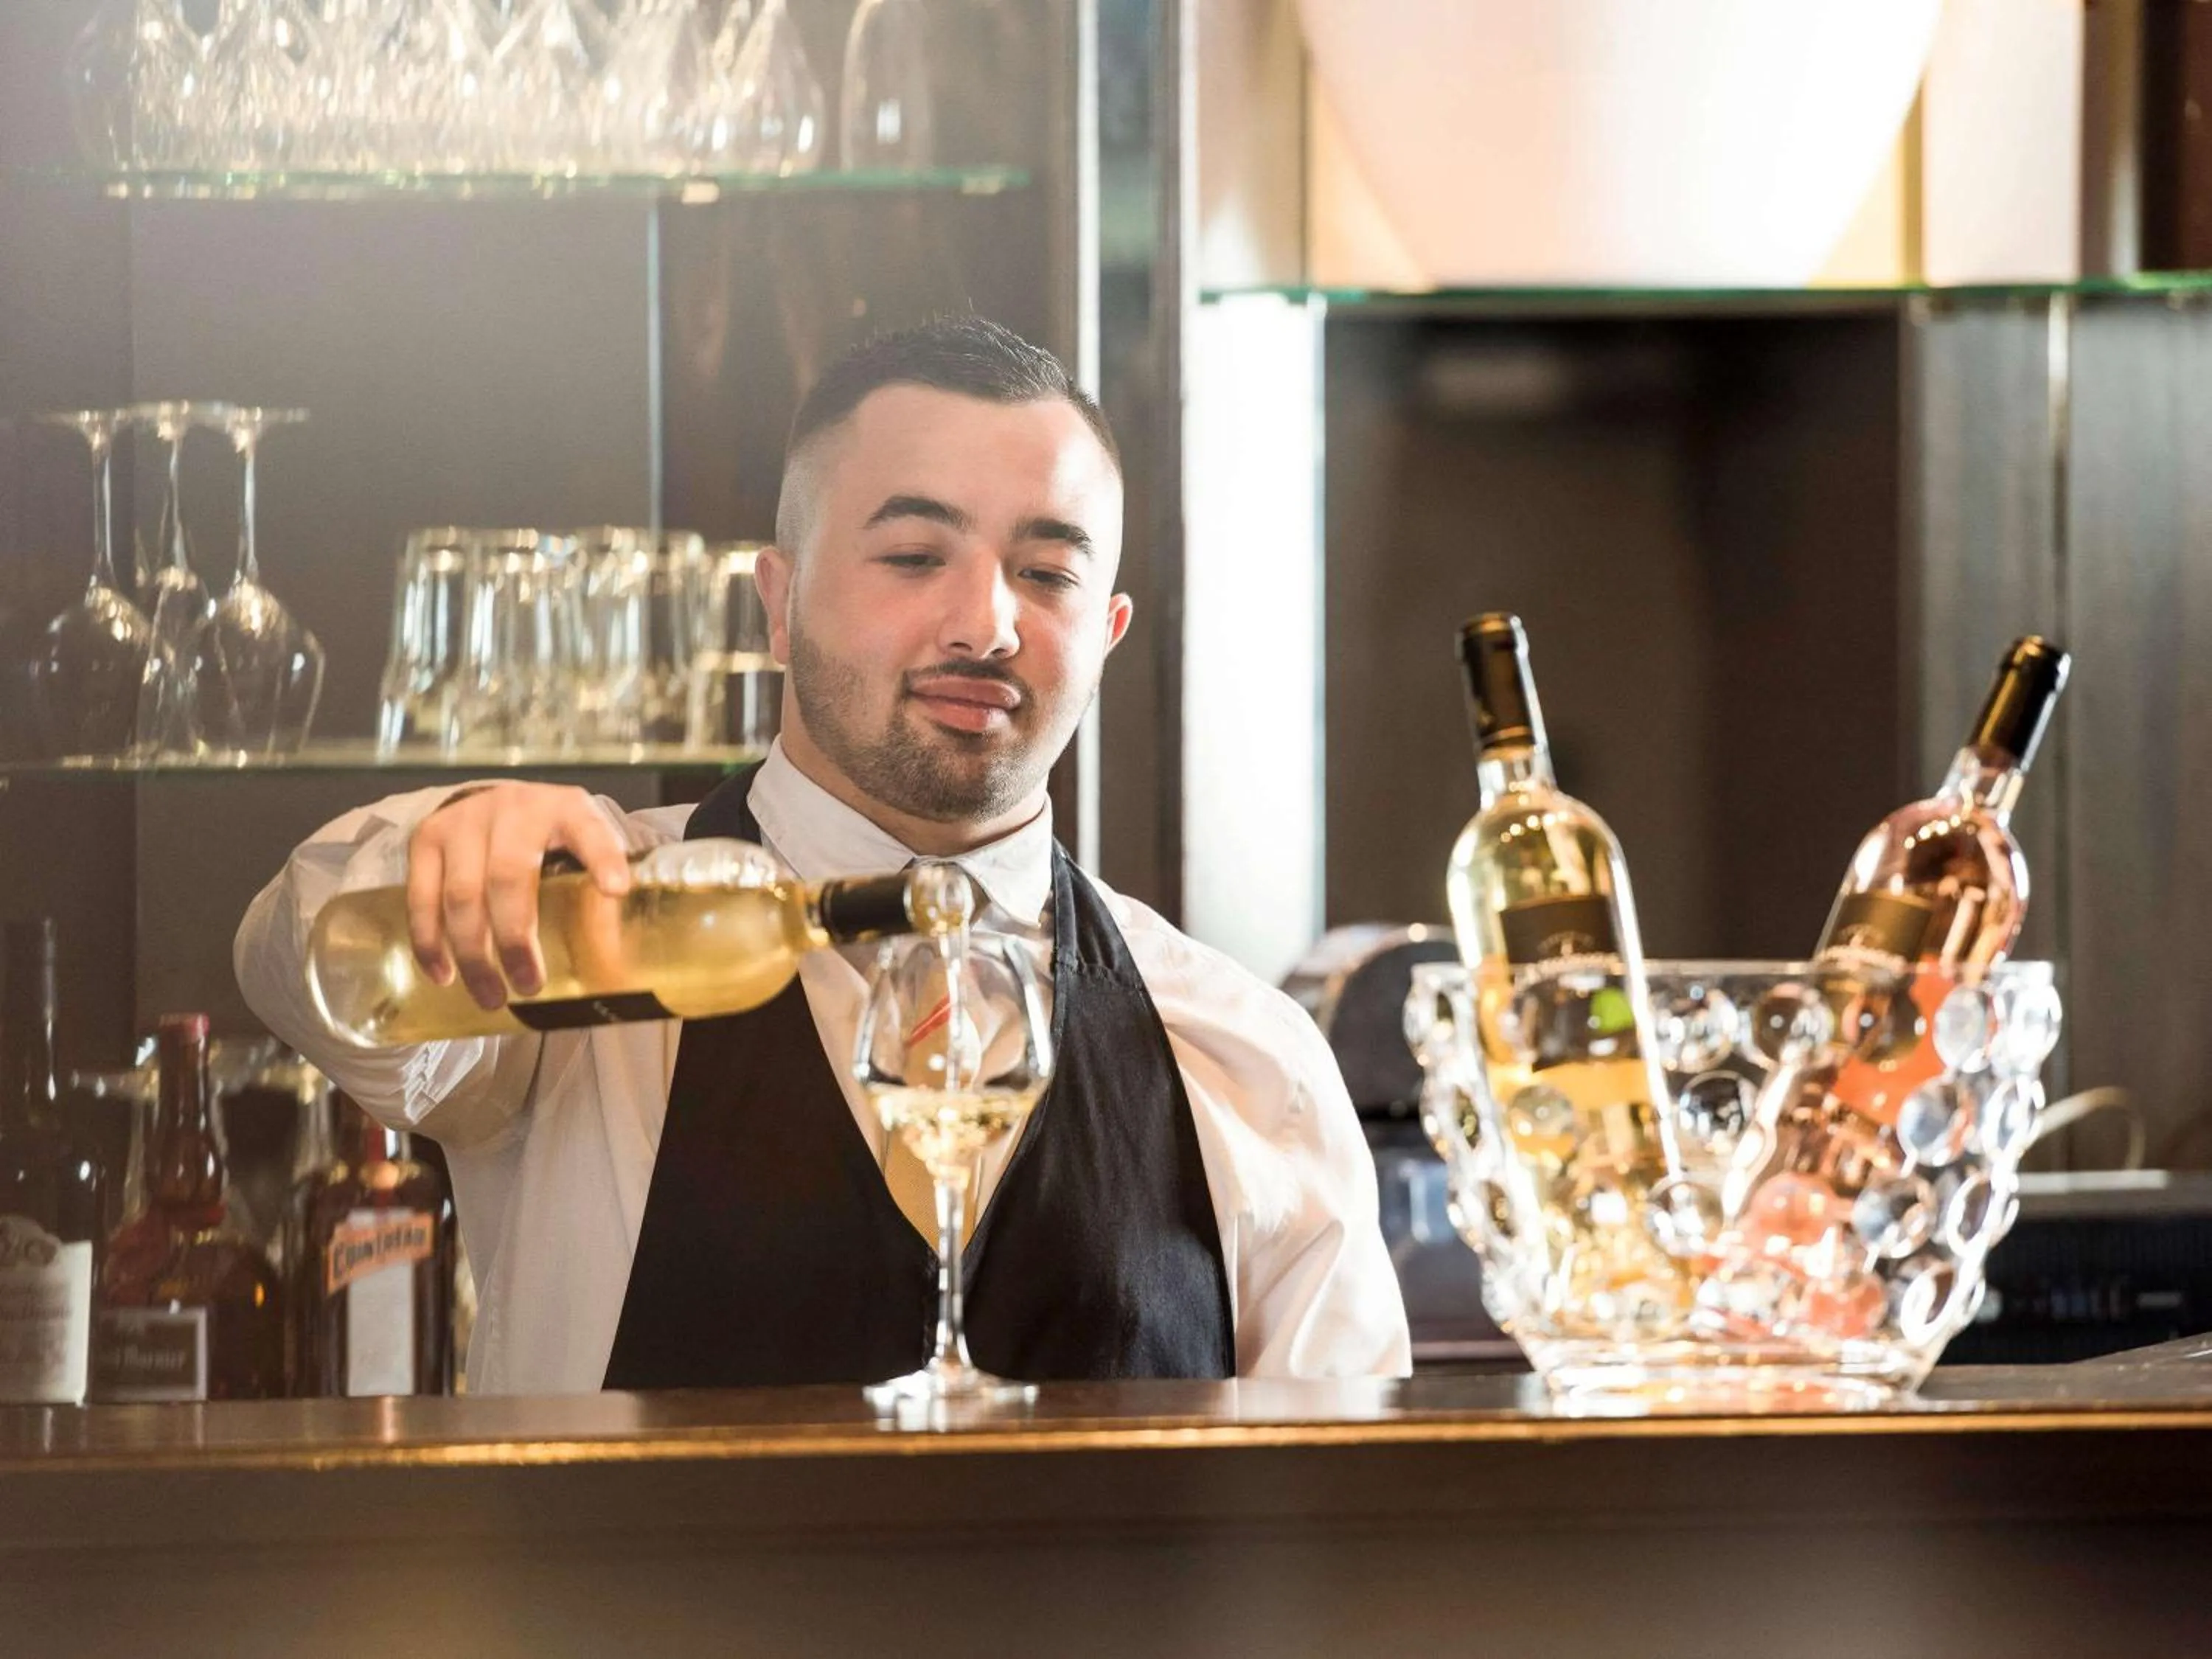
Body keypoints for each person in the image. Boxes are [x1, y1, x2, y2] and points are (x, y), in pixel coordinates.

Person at [237, 316, 1411, 1394]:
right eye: (913, 556)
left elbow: (1341, 1527)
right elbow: (299, 968)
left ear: (1104, 635)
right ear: (779, 602)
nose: (985, 624)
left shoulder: (1242, 1054)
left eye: (1047, 573)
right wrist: (450, 843)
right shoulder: (592, 938)